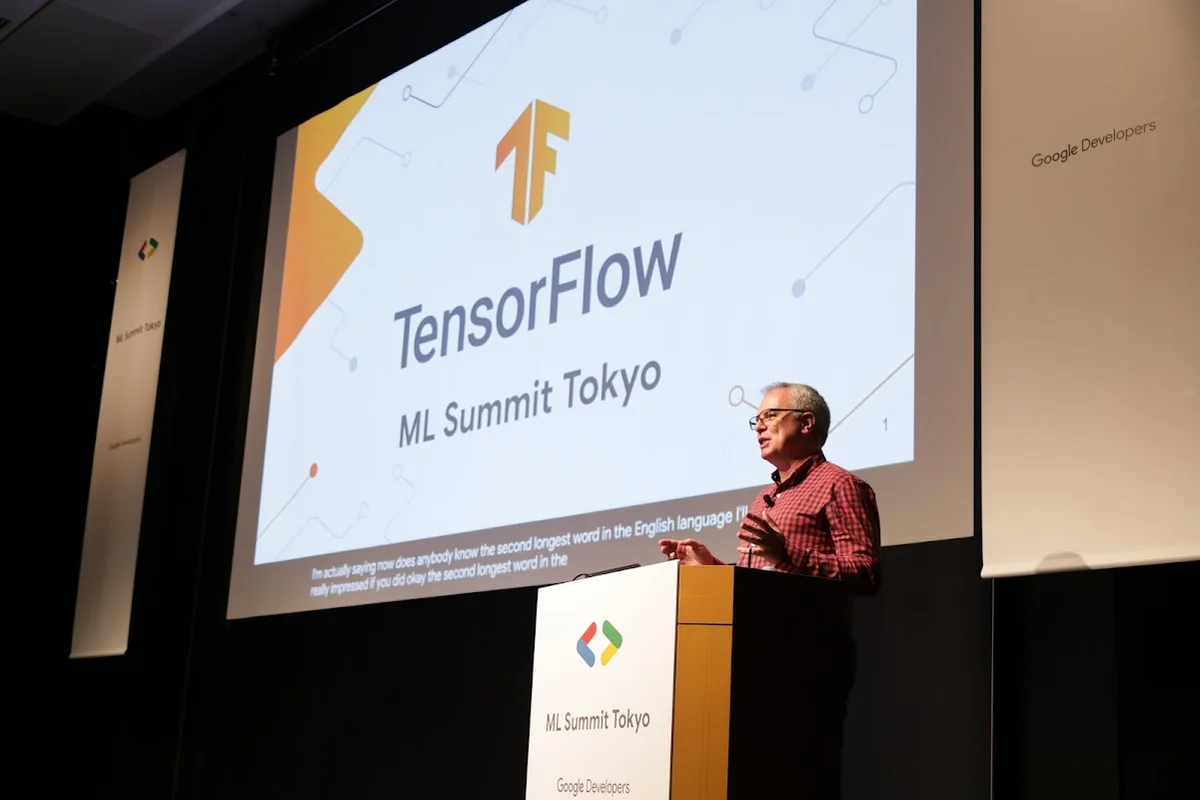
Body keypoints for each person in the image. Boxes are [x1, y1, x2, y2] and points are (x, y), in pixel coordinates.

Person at [658, 382, 881, 798]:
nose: (758, 427)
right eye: (755, 420)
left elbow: (866, 573)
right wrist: (712, 569)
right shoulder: (764, 499)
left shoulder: (840, 486)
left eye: (769, 417)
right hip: (751, 658)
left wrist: (790, 552)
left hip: (808, 661)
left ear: (806, 421)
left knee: (800, 781)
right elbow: (760, 579)